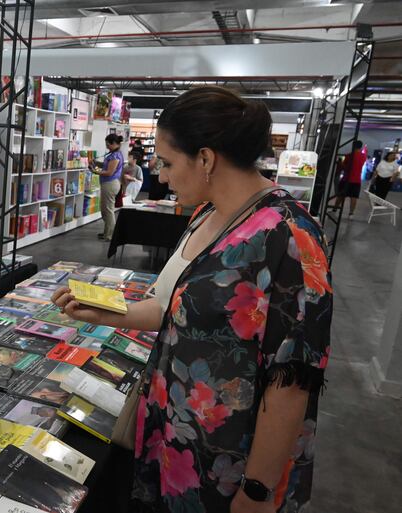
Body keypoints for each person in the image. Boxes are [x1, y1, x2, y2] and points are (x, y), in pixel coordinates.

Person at [53, 86, 331, 513]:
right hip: (174, 442)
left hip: (229, 466)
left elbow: (291, 382)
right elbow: (172, 309)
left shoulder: (289, 238)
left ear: (205, 159)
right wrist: (105, 310)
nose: (160, 176)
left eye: (166, 162)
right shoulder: (207, 213)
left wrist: (256, 490)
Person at [91, 133, 124, 241]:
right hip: (108, 184)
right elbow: (106, 166)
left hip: (110, 184)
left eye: (108, 144)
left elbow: (109, 172)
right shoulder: (113, 154)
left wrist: (95, 171)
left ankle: (110, 235)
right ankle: (107, 232)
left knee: (108, 210)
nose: (107, 147)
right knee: (105, 210)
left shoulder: (115, 156)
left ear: (114, 143)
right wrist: (96, 163)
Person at [335, 140, 366, 217]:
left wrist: (340, 163)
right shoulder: (363, 156)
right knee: (354, 197)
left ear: (353, 146)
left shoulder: (349, 156)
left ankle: (334, 209)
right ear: (360, 146)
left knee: (341, 196)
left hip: (346, 179)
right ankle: (351, 213)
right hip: (357, 180)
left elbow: (346, 168)